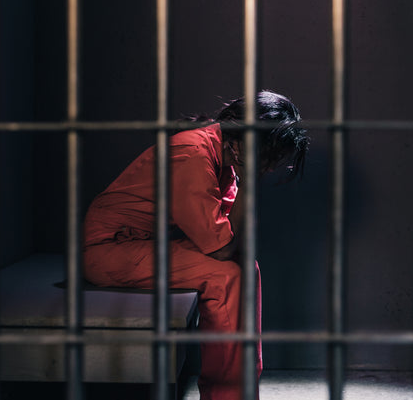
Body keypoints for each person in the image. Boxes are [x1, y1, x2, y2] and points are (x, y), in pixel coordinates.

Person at [82, 90, 308, 400]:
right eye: (269, 158)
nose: (270, 168)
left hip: (140, 246)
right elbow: (221, 249)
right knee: (225, 275)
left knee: (244, 267)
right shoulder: (195, 153)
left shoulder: (223, 155)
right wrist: (250, 180)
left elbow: (231, 237)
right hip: (109, 250)